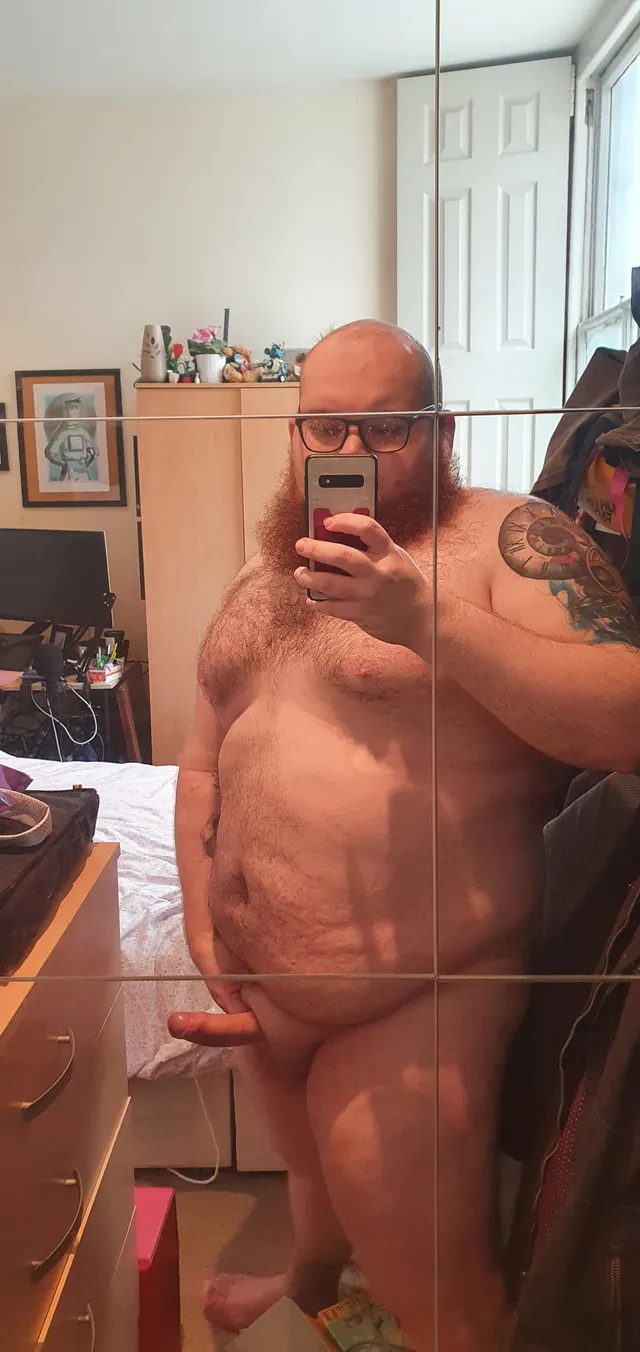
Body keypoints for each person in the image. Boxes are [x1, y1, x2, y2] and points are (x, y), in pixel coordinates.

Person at [171, 320, 640, 1352]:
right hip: (263, 984)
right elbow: (204, 753)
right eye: (324, 425)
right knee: (309, 1169)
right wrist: (207, 922)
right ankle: (307, 1277)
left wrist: (426, 619)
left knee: (437, 1297)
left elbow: (629, 718)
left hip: (418, 992)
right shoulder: (271, 564)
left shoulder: (512, 540)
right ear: (294, 431)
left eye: (386, 428)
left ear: (443, 430)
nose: (350, 450)